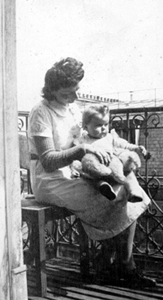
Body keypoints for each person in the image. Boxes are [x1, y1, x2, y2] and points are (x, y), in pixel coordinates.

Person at [28, 57, 156, 288]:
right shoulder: (41, 112)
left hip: (78, 172)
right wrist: (82, 150)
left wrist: (125, 149)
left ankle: (111, 263)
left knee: (123, 189)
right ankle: (123, 267)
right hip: (51, 180)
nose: (75, 98)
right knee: (114, 197)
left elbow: (97, 139)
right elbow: (47, 161)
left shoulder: (73, 109)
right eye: (68, 93)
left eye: (76, 91)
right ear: (52, 90)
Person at [71, 104, 148, 202]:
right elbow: (75, 154)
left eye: (106, 124)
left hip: (114, 168)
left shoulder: (109, 137)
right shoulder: (83, 140)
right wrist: (74, 168)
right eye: (98, 125)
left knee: (129, 174)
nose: (103, 128)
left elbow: (124, 144)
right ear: (86, 127)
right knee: (91, 179)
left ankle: (134, 192)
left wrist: (136, 148)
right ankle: (104, 187)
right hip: (96, 170)